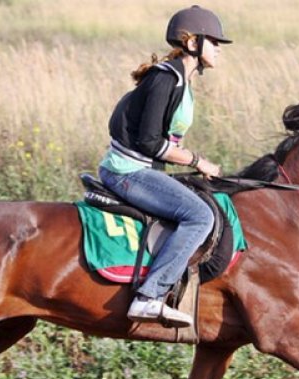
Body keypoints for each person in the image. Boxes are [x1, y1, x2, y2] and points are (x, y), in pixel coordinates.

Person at [98, 5, 232, 328]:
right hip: (127, 171)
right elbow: (150, 143)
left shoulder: (181, 81)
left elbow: (164, 143)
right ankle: (149, 297)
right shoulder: (165, 79)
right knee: (200, 216)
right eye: (213, 41)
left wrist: (193, 165)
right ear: (192, 43)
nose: (218, 49)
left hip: (144, 169)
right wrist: (198, 161)